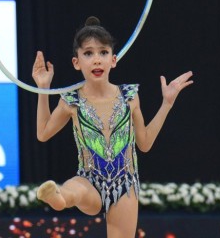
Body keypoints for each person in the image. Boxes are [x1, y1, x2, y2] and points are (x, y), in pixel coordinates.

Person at [32, 16, 193, 238]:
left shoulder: (129, 96)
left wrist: (166, 104)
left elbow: (144, 143)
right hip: (89, 178)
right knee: (75, 189)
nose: (97, 60)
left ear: (113, 60)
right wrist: (44, 88)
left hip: (124, 182)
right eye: (88, 53)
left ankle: (60, 197)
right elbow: (43, 133)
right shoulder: (71, 100)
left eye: (103, 53)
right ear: (76, 62)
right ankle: (58, 197)